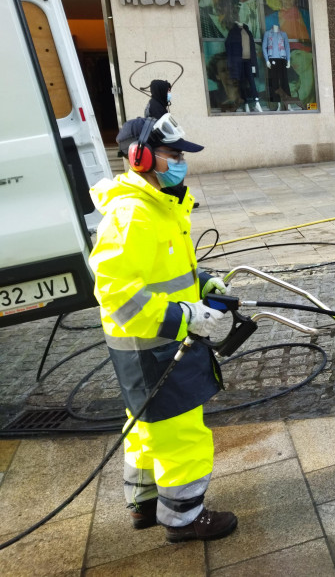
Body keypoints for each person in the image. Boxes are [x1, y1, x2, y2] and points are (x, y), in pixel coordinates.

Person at [88, 114, 238, 543]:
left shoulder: (158, 205)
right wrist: (183, 317)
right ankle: (185, 517)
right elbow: (115, 290)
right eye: (173, 155)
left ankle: (145, 502)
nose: (181, 163)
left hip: (152, 343)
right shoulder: (133, 215)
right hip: (155, 344)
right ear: (141, 158)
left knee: (144, 425)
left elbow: (161, 270)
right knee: (181, 433)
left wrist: (202, 281)